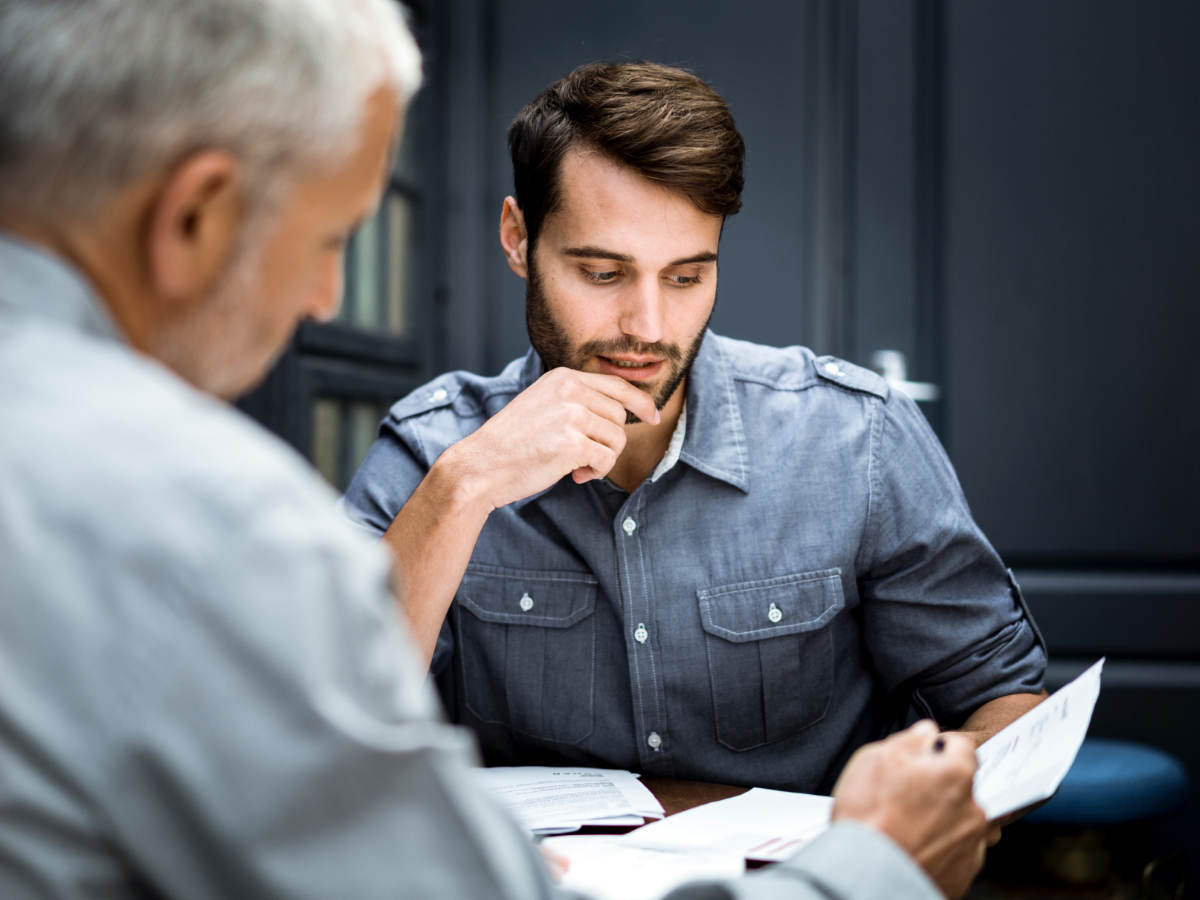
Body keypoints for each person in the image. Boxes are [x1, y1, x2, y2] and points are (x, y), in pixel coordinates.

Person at [0, 1, 991, 898]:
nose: (325, 302)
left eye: (688, 275)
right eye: (330, 238)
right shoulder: (215, 519)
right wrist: (871, 872)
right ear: (196, 219)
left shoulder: (853, 431)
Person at [342, 61, 1049, 793]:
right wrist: (466, 488)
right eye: (602, 273)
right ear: (518, 239)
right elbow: (323, 730)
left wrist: (915, 825)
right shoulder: (433, 450)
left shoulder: (857, 439)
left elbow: (1008, 704)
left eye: (685, 277)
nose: (647, 329)